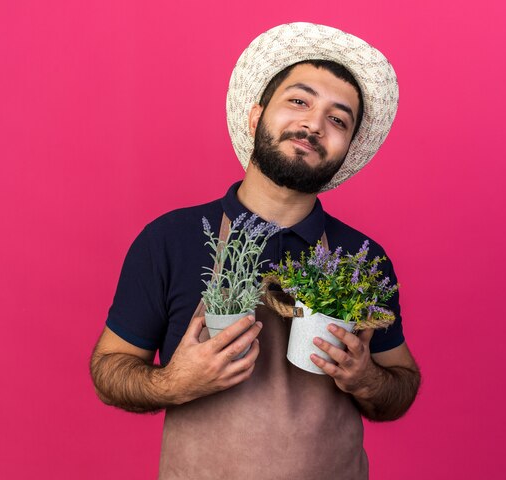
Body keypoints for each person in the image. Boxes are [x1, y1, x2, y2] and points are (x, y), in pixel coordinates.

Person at [90, 22, 421, 479]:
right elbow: (109, 369)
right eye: (299, 101)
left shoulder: (361, 259)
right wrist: (173, 382)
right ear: (255, 116)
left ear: (346, 151)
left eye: (337, 119)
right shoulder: (170, 239)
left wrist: (366, 378)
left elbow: (401, 383)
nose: (313, 124)